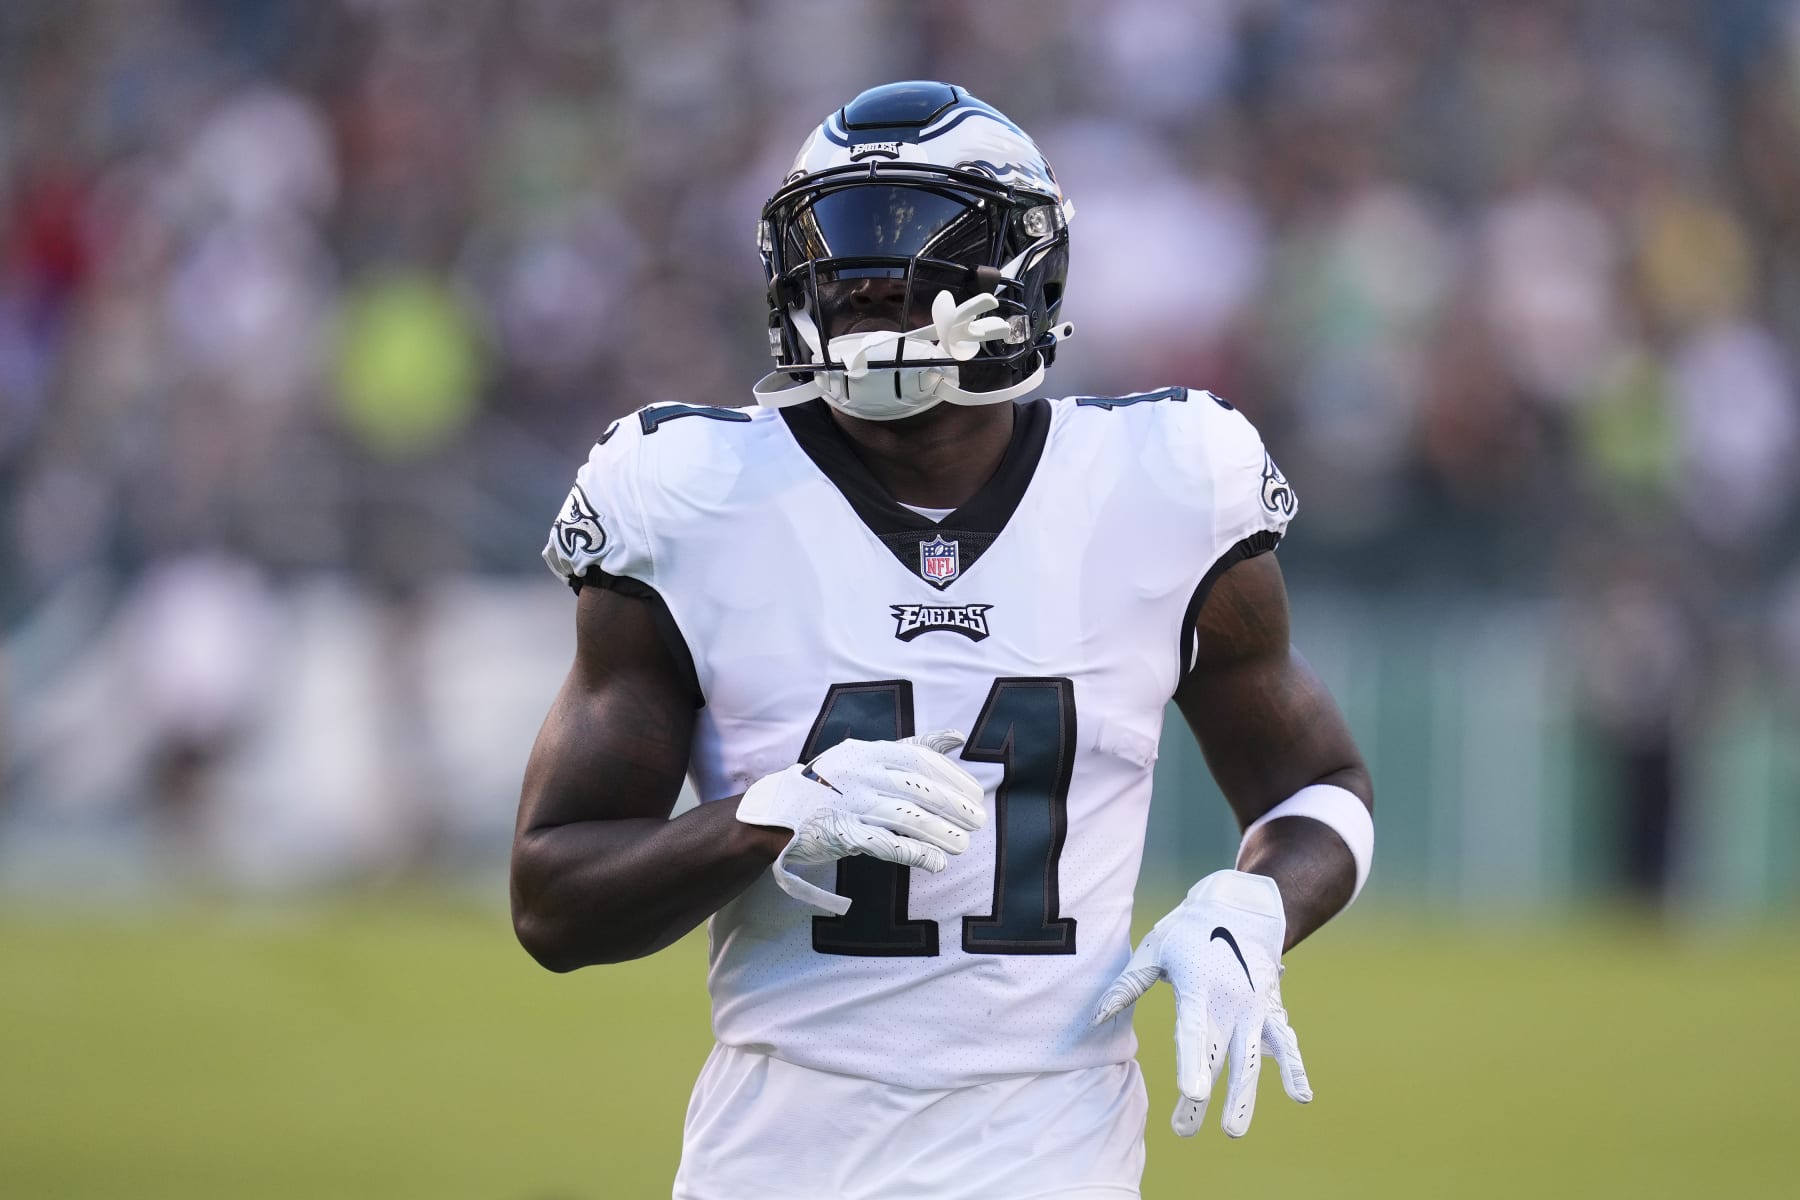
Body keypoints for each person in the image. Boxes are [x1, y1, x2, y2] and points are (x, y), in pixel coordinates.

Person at [512, 81, 1374, 1200]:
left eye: (903, 237)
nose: (859, 279)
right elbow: (552, 901)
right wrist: (764, 819)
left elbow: (1320, 785)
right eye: (832, 240)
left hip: (1051, 1152)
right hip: (773, 1158)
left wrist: (1260, 902)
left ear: (1021, 267)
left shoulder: (1165, 484)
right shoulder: (691, 498)